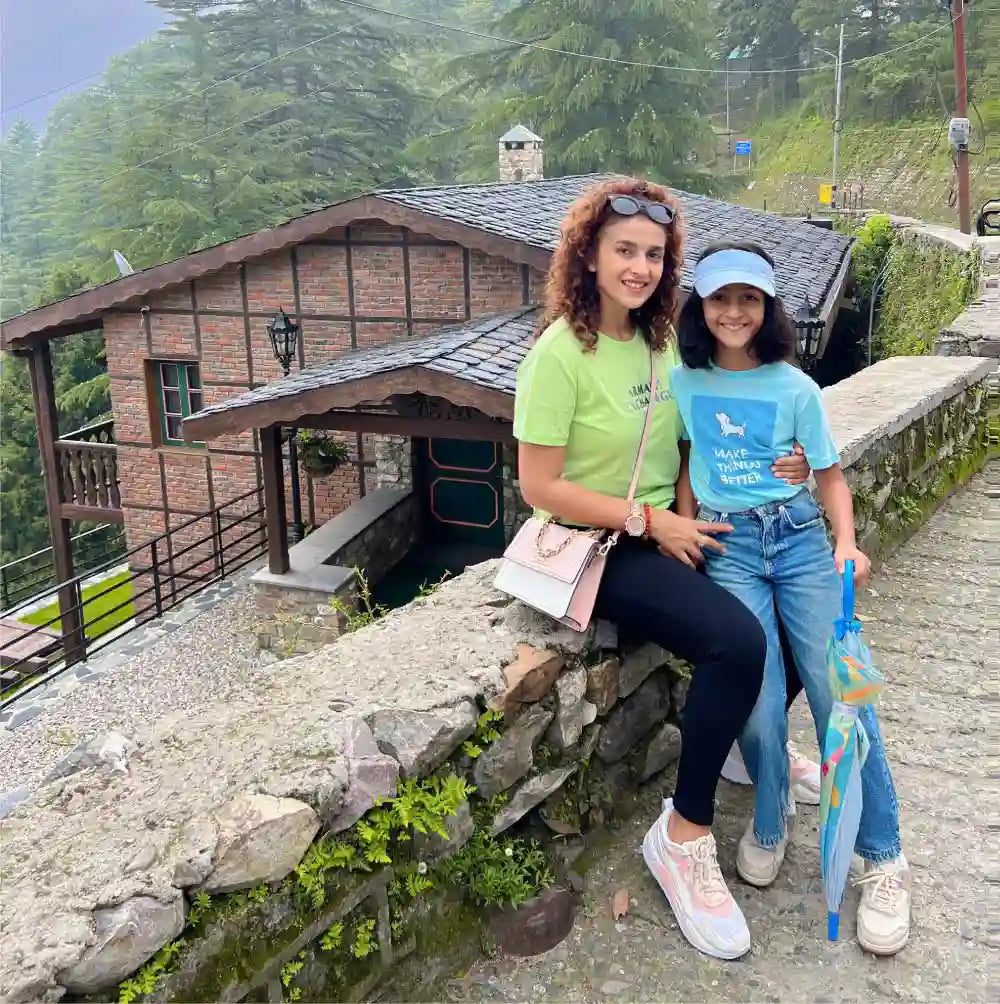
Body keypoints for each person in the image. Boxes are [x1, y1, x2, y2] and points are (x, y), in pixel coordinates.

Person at [513, 179, 810, 960]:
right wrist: (652, 521)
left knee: (792, 602)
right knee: (737, 644)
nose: (640, 268)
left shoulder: (664, 341)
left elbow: (692, 439)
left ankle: (753, 738)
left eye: (653, 254)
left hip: (670, 524)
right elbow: (540, 486)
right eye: (625, 251)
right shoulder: (558, 355)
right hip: (602, 544)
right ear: (589, 255)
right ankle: (681, 836)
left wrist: (743, 487)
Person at [672, 239, 911, 956]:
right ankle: (771, 817)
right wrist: (686, 529)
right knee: (758, 694)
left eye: (749, 299)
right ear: (702, 307)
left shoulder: (796, 388)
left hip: (801, 537)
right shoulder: (685, 382)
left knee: (847, 692)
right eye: (721, 299)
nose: (734, 312)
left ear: (768, 307)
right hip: (730, 547)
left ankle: (883, 855)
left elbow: (830, 475)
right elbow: (689, 461)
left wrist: (846, 541)